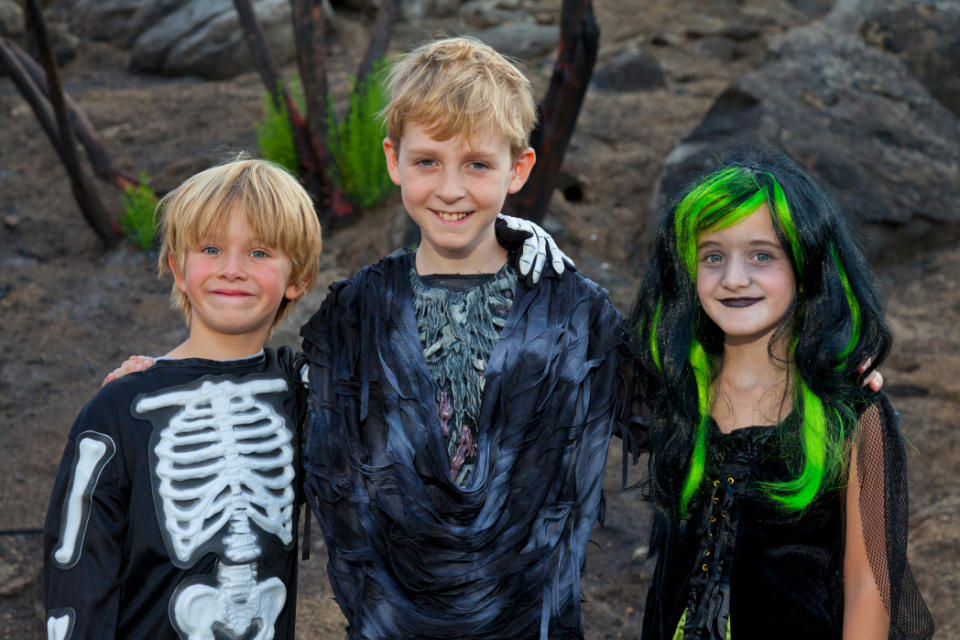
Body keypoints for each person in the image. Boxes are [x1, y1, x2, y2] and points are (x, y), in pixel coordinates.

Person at [298, 36, 622, 639]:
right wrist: (177, 370)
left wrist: (836, 360)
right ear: (394, 160)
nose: (450, 189)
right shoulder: (355, 313)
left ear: (518, 169)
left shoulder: (573, 310)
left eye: (477, 164)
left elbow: (686, 393)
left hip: (532, 622)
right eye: (428, 162)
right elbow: (292, 409)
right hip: (392, 621)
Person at [628, 150, 934, 640]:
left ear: (807, 266)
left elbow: (868, 588)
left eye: (762, 255)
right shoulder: (678, 393)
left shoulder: (852, 413)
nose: (733, 278)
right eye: (712, 256)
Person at [42, 157, 323, 639]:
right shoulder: (118, 410)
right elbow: (77, 576)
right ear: (177, 266)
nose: (232, 270)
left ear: (297, 278)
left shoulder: (305, 396)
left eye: (260, 253)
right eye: (211, 249)